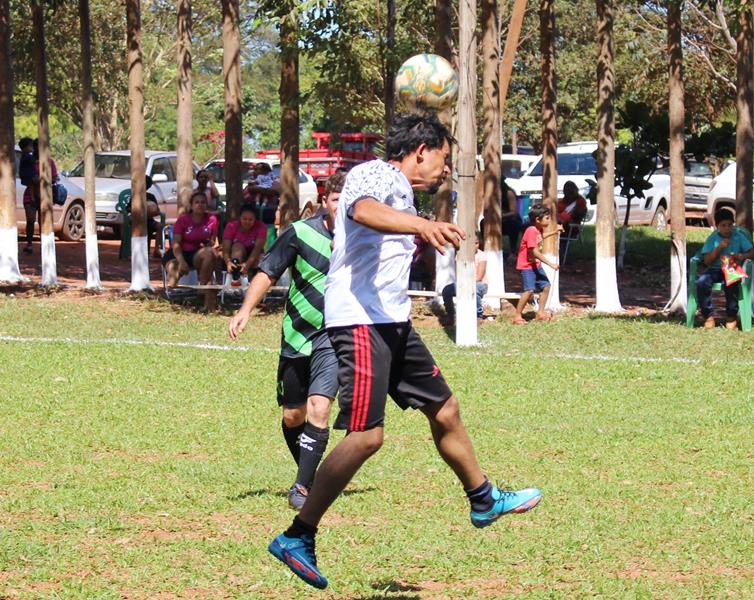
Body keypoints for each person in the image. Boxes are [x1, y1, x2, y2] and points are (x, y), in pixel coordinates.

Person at [268, 112, 542, 590]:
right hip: (360, 319)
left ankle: (482, 498)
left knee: (446, 408)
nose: (444, 169)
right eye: (442, 158)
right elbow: (362, 211)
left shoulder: (403, 190)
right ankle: (298, 535)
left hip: (392, 320)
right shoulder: (375, 173)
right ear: (421, 150)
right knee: (366, 437)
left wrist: (420, 226)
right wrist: (421, 224)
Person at [229, 171, 345, 510]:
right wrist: (246, 310)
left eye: (347, 200)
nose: (342, 206)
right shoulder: (300, 233)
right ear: (325, 202)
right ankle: (312, 473)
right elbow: (268, 272)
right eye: (336, 199)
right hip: (297, 333)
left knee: (319, 407)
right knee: (293, 416)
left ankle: (302, 487)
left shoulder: (360, 238)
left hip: (335, 335)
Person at [695, 209, 754, 330]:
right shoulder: (713, 238)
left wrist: (742, 256)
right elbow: (707, 261)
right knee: (702, 282)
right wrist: (719, 248)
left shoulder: (738, 236)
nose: (727, 228)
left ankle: (731, 316)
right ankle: (708, 316)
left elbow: (751, 252)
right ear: (717, 226)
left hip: (731, 268)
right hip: (715, 269)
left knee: (732, 284)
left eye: (730, 225)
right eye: (723, 225)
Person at [513, 205, 562, 324]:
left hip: (536, 265)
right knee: (529, 290)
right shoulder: (531, 231)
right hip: (527, 266)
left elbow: (540, 238)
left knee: (546, 286)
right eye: (547, 218)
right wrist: (551, 264)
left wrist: (554, 232)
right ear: (537, 220)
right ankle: (517, 316)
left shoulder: (537, 230)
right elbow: (534, 252)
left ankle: (540, 313)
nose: (549, 220)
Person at [163, 190, 219, 287]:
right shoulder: (183, 220)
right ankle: (172, 292)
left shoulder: (212, 219)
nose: (200, 205)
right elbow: (176, 243)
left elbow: (212, 241)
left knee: (211, 253)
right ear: (192, 205)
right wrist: (182, 261)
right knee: (175, 269)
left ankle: (202, 287)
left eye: (203, 202)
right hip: (177, 254)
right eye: (197, 202)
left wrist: (208, 245)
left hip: (196, 254)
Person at [441, 237, 490, 323]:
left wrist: (467, 284)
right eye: (473, 243)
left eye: (477, 243)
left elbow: (479, 276)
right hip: (463, 282)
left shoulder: (481, 255)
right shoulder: (460, 255)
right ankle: (451, 315)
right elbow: (458, 273)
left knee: (475, 290)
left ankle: (478, 316)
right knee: (446, 290)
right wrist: (463, 283)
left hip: (480, 283)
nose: (475, 246)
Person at [221, 203, 268, 283]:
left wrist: (247, 265)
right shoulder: (231, 226)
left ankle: (256, 283)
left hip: (254, 255)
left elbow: (257, 249)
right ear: (240, 218)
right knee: (237, 247)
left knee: (262, 259)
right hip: (235, 255)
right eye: (244, 219)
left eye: (250, 219)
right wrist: (228, 262)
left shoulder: (261, 227)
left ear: (255, 219)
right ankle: (235, 278)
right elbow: (226, 249)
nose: (247, 222)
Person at [18, 137, 36, 254]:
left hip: (32, 189)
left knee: (31, 220)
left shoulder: (27, 158)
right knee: (31, 220)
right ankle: (29, 243)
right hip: (31, 190)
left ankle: (30, 243)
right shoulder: (28, 158)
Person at [501, 176, 524, 257]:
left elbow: (514, 212)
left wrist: (502, 215)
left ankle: (513, 250)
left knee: (513, 224)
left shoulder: (508, 193)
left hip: (509, 218)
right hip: (497, 220)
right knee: (483, 223)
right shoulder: (491, 194)